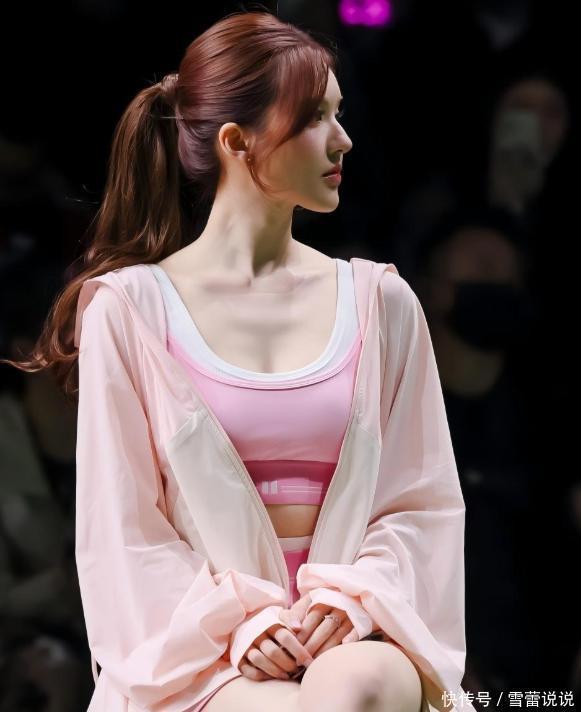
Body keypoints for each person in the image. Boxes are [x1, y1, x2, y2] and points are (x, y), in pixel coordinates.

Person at [1, 10, 473, 712]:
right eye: (314, 117)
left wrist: (353, 599)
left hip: (359, 641)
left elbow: (420, 503)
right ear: (234, 140)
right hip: (203, 661)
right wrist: (240, 625)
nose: (342, 139)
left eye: (339, 113)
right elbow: (125, 535)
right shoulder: (131, 311)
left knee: (354, 688)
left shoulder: (381, 303)